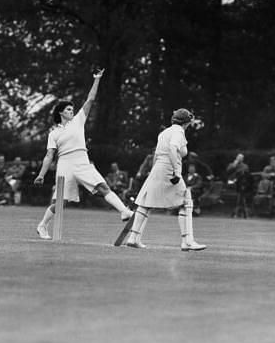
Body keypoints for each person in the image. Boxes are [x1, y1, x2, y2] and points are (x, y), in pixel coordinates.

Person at [34, 69, 132, 239]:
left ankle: (124, 211)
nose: (72, 111)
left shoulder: (78, 121)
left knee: (102, 187)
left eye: (72, 109)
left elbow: (90, 99)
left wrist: (97, 79)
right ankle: (42, 226)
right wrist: (41, 175)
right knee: (60, 203)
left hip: (82, 161)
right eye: (69, 109)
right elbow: (49, 156)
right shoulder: (53, 133)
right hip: (65, 165)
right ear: (61, 112)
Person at [124, 108, 206, 251]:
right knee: (186, 201)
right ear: (185, 122)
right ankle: (187, 241)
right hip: (169, 168)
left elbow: (156, 154)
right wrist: (177, 171)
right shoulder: (178, 132)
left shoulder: (164, 132)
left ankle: (133, 238)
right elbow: (173, 148)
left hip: (158, 168)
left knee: (145, 203)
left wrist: (154, 171)